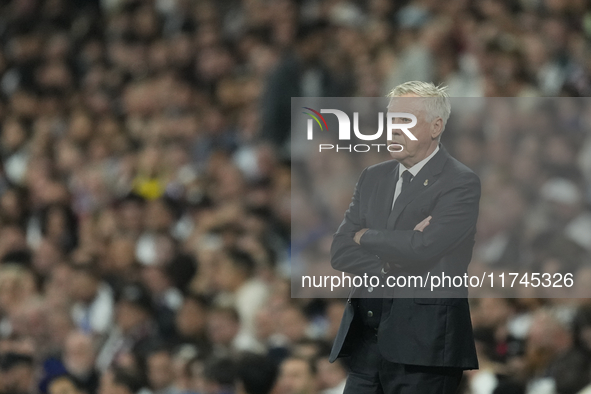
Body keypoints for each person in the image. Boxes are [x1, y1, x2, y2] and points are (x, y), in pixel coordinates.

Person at [329, 81, 480, 393]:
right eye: (390, 120)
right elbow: (340, 250)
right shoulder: (373, 177)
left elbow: (424, 246)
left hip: (424, 348)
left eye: (405, 121)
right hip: (367, 341)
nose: (393, 129)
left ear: (436, 126)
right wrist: (389, 263)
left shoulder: (460, 182)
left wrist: (366, 235)